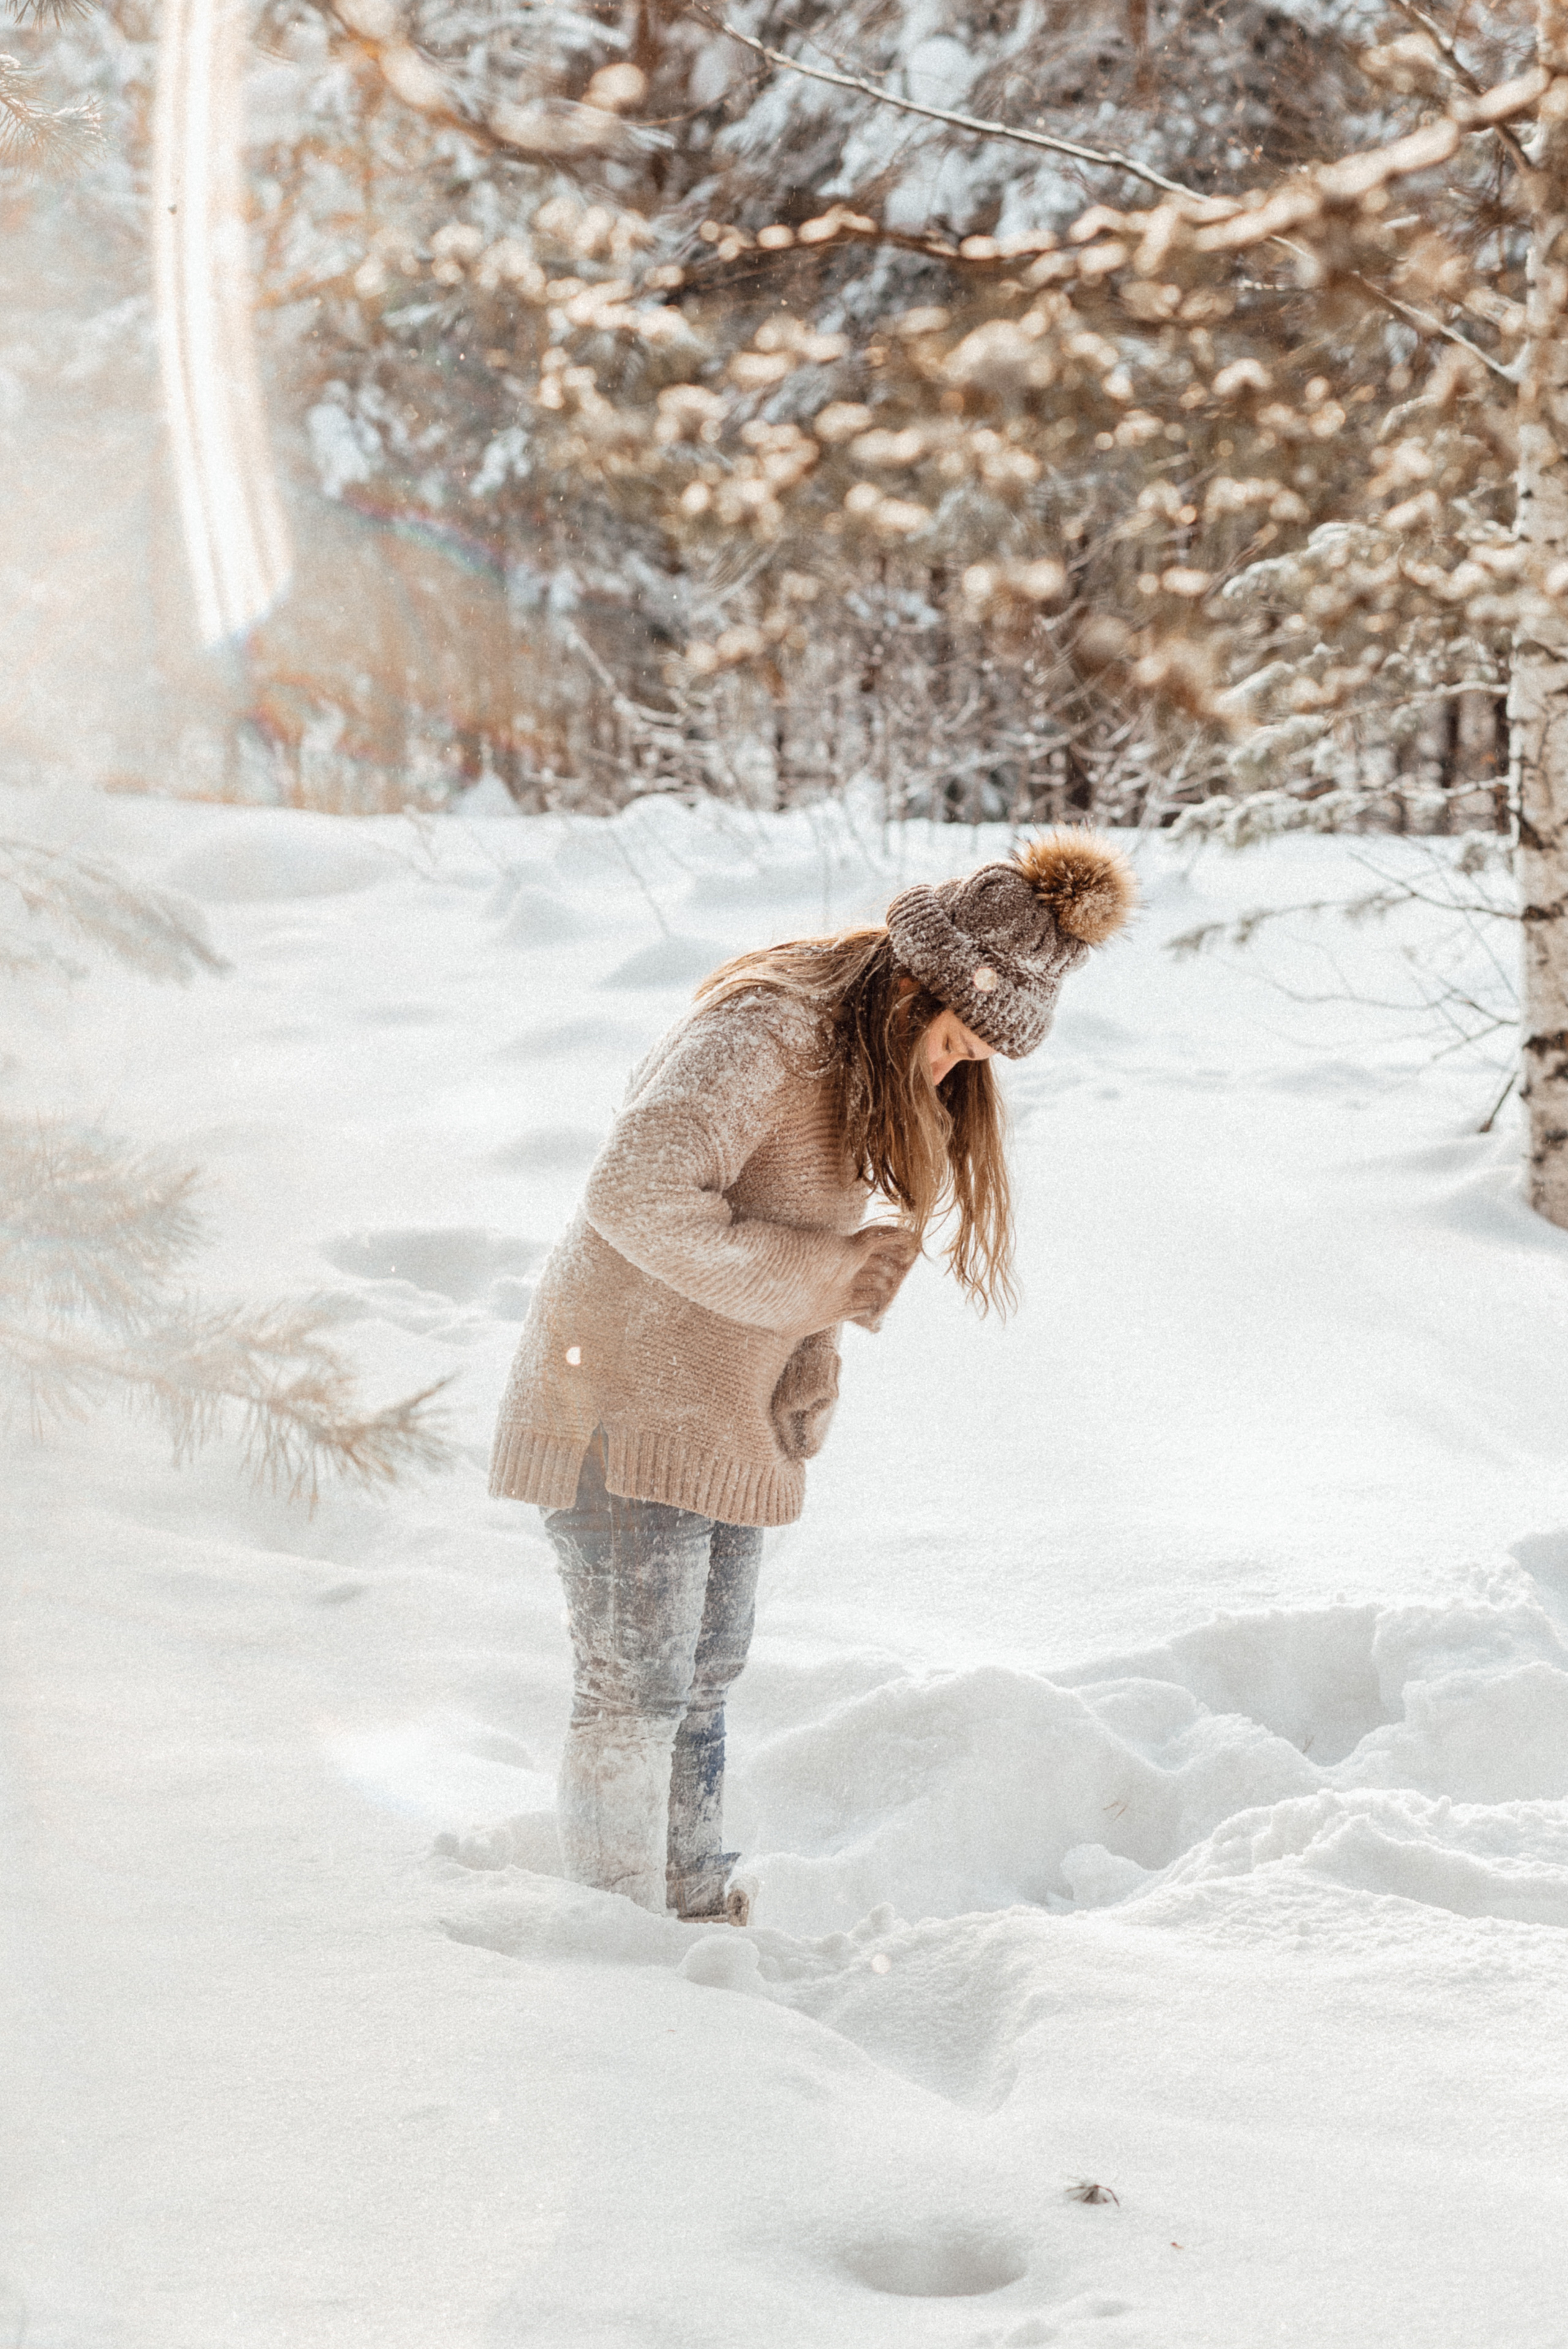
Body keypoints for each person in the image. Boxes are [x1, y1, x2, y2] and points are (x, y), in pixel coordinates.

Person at [489, 829, 1136, 1923]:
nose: (956, 1070)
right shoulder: (768, 1032)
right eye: (957, 1041)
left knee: (704, 1679)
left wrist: (808, 1352)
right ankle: (611, 1946)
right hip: (621, 1395)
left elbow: (789, 1215)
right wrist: (824, 1280)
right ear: (915, 988)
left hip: (718, 1413)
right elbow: (636, 1193)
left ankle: (688, 1914)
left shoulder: (857, 1063)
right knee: (636, 1688)